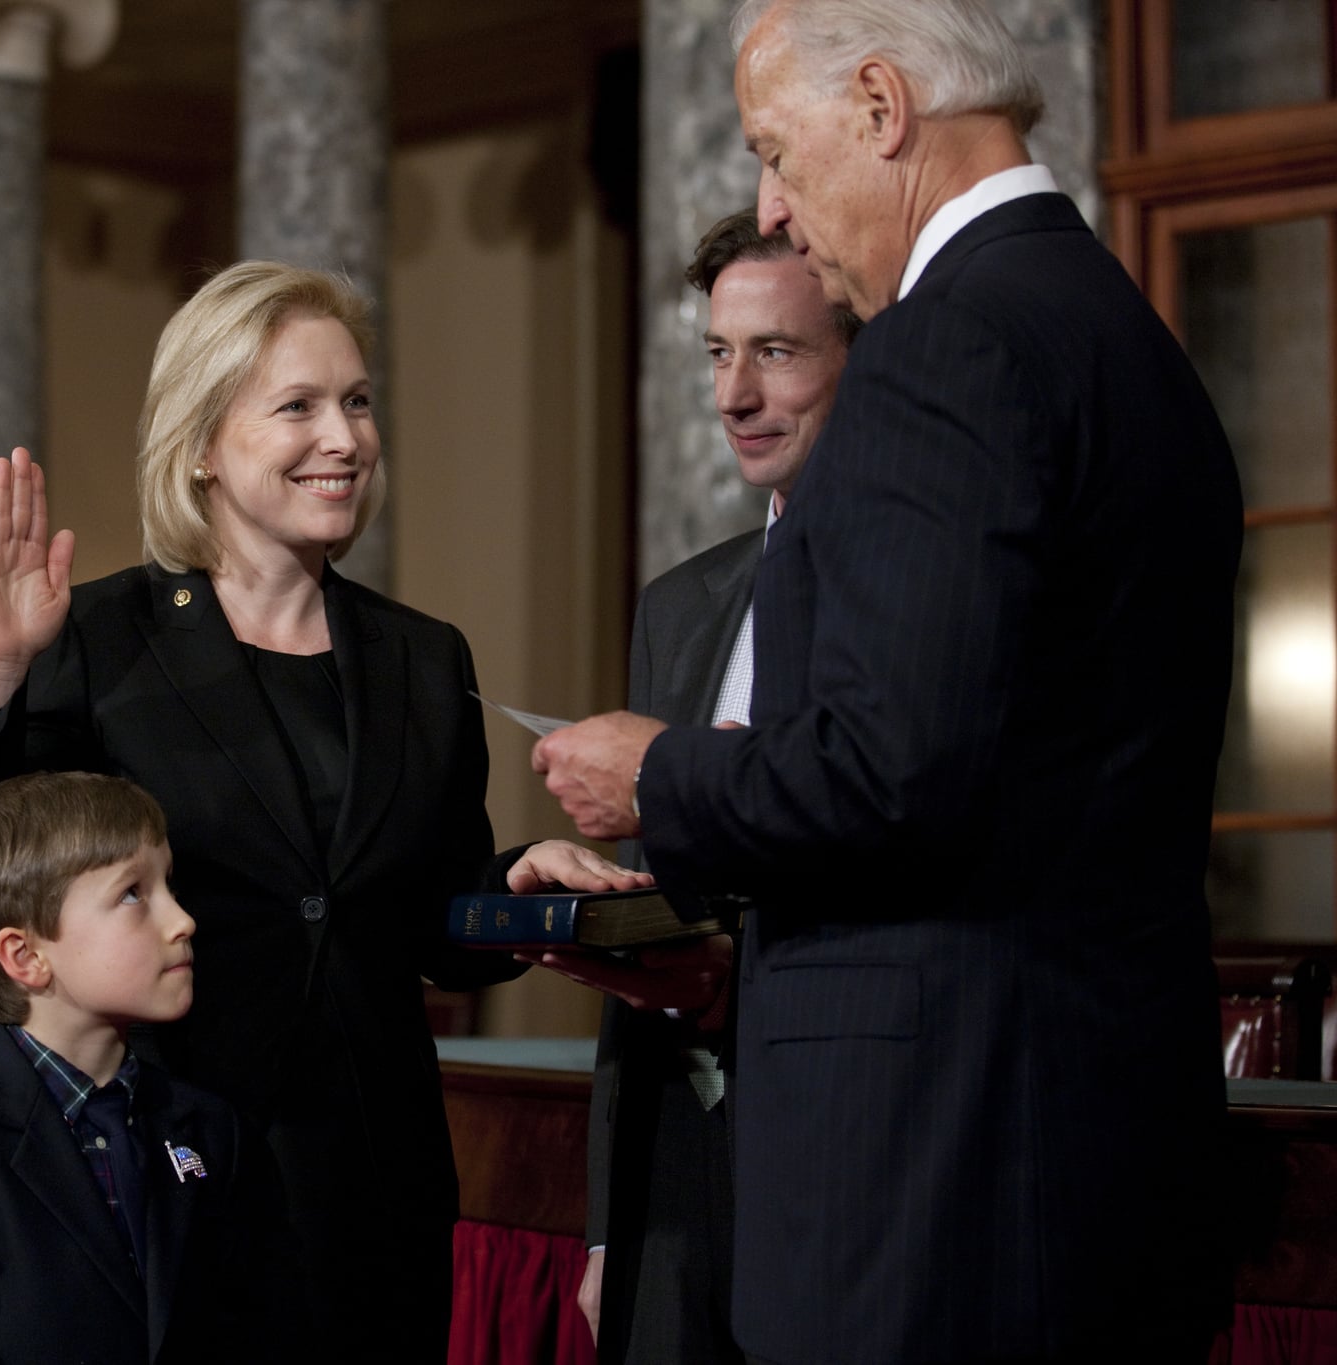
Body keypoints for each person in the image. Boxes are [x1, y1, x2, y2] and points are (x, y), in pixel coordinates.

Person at [532, 0, 1242, 1360]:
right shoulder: (1127, 337)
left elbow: (891, 770)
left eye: (776, 151)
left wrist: (659, 771)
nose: (774, 207)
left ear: (879, 106)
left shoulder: (945, 345)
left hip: (940, 1178)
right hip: (1099, 1148)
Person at [0, 260, 647, 1359]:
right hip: (158, 1165)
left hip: (373, 1181)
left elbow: (430, 924)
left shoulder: (418, 655)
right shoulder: (100, 639)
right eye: (297, 406)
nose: (343, 437)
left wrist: (516, 880)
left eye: (355, 401)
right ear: (202, 442)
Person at [565, 209, 858, 1365]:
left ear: (861, 358)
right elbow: (649, 907)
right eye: (715, 354)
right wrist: (607, 1227)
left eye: (774, 352)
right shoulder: (681, 602)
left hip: (843, 1151)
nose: (733, 395)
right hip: (677, 1171)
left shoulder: (902, 598)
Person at [0, 771, 302, 1364]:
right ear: (27, 956)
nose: (183, 920)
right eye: (133, 894)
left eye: (170, 884)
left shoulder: (217, 1132)